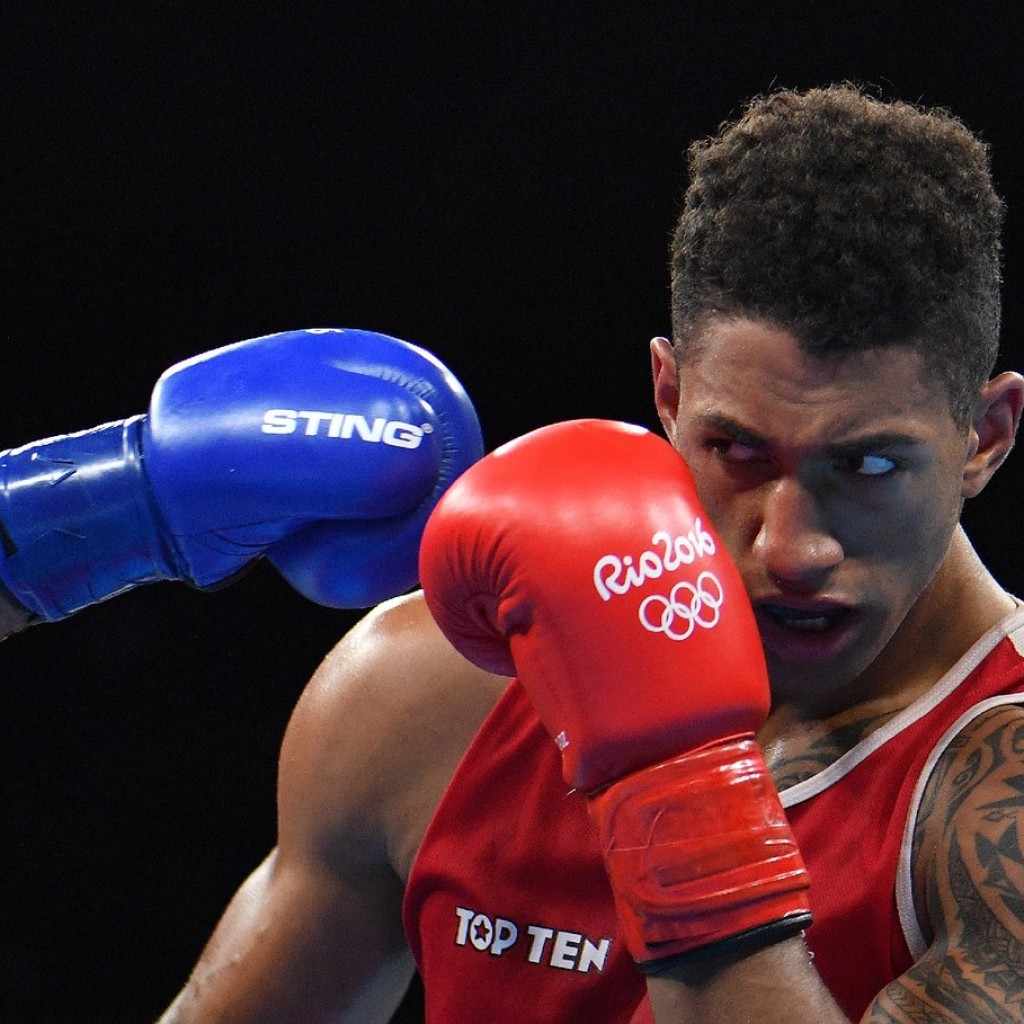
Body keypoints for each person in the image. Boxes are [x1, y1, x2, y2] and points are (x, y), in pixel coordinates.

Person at [6, 84, 1023, 1023]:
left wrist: (672, 786)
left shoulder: (996, 801)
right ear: (666, 395)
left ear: (985, 434)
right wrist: (104, 510)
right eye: (738, 451)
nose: (792, 543)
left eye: (870, 466)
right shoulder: (431, 693)